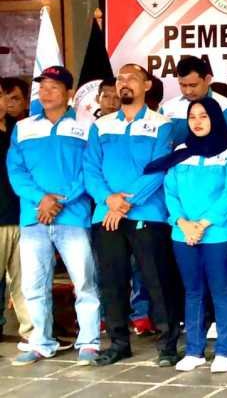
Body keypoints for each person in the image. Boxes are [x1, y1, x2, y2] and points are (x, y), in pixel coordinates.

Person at [84, 63, 182, 367]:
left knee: (157, 281)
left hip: (148, 215)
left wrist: (125, 204)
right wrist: (108, 200)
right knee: (111, 282)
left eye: (132, 78)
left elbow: (158, 168)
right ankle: (118, 343)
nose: (124, 83)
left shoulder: (161, 124)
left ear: (147, 85)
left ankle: (167, 345)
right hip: (106, 215)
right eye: (120, 79)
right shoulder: (101, 125)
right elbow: (90, 168)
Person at [6, 66, 101, 366]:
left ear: (69, 93)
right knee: (33, 285)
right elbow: (16, 171)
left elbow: (90, 168)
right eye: (43, 87)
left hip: (73, 217)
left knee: (84, 282)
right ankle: (40, 342)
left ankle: (89, 342)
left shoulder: (87, 126)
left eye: (53, 87)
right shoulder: (23, 127)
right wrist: (42, 199)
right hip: (34, 217)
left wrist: (62, 200)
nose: (46, 93)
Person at [144, 97, 227, 373]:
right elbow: (171, 192)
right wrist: (183, 223)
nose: (197, 122)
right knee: (192, 292)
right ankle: (194, 350)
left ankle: (224, 350)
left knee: (221, 291)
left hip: (218, 233)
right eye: (192, 117)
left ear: (215, 118)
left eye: (203, 116)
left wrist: (202, 225)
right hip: (183, 233)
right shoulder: (181, 151)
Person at [0, 81, 32, 344]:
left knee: (27, 282)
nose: (3, 101)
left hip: (22, 215)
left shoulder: (18, 130)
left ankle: (34, 334)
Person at [160, 56, 227, 146]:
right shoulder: (168, 107)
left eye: (193, 85)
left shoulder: (226, 107)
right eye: (183, 85)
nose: (188, 91)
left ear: (208, 79)